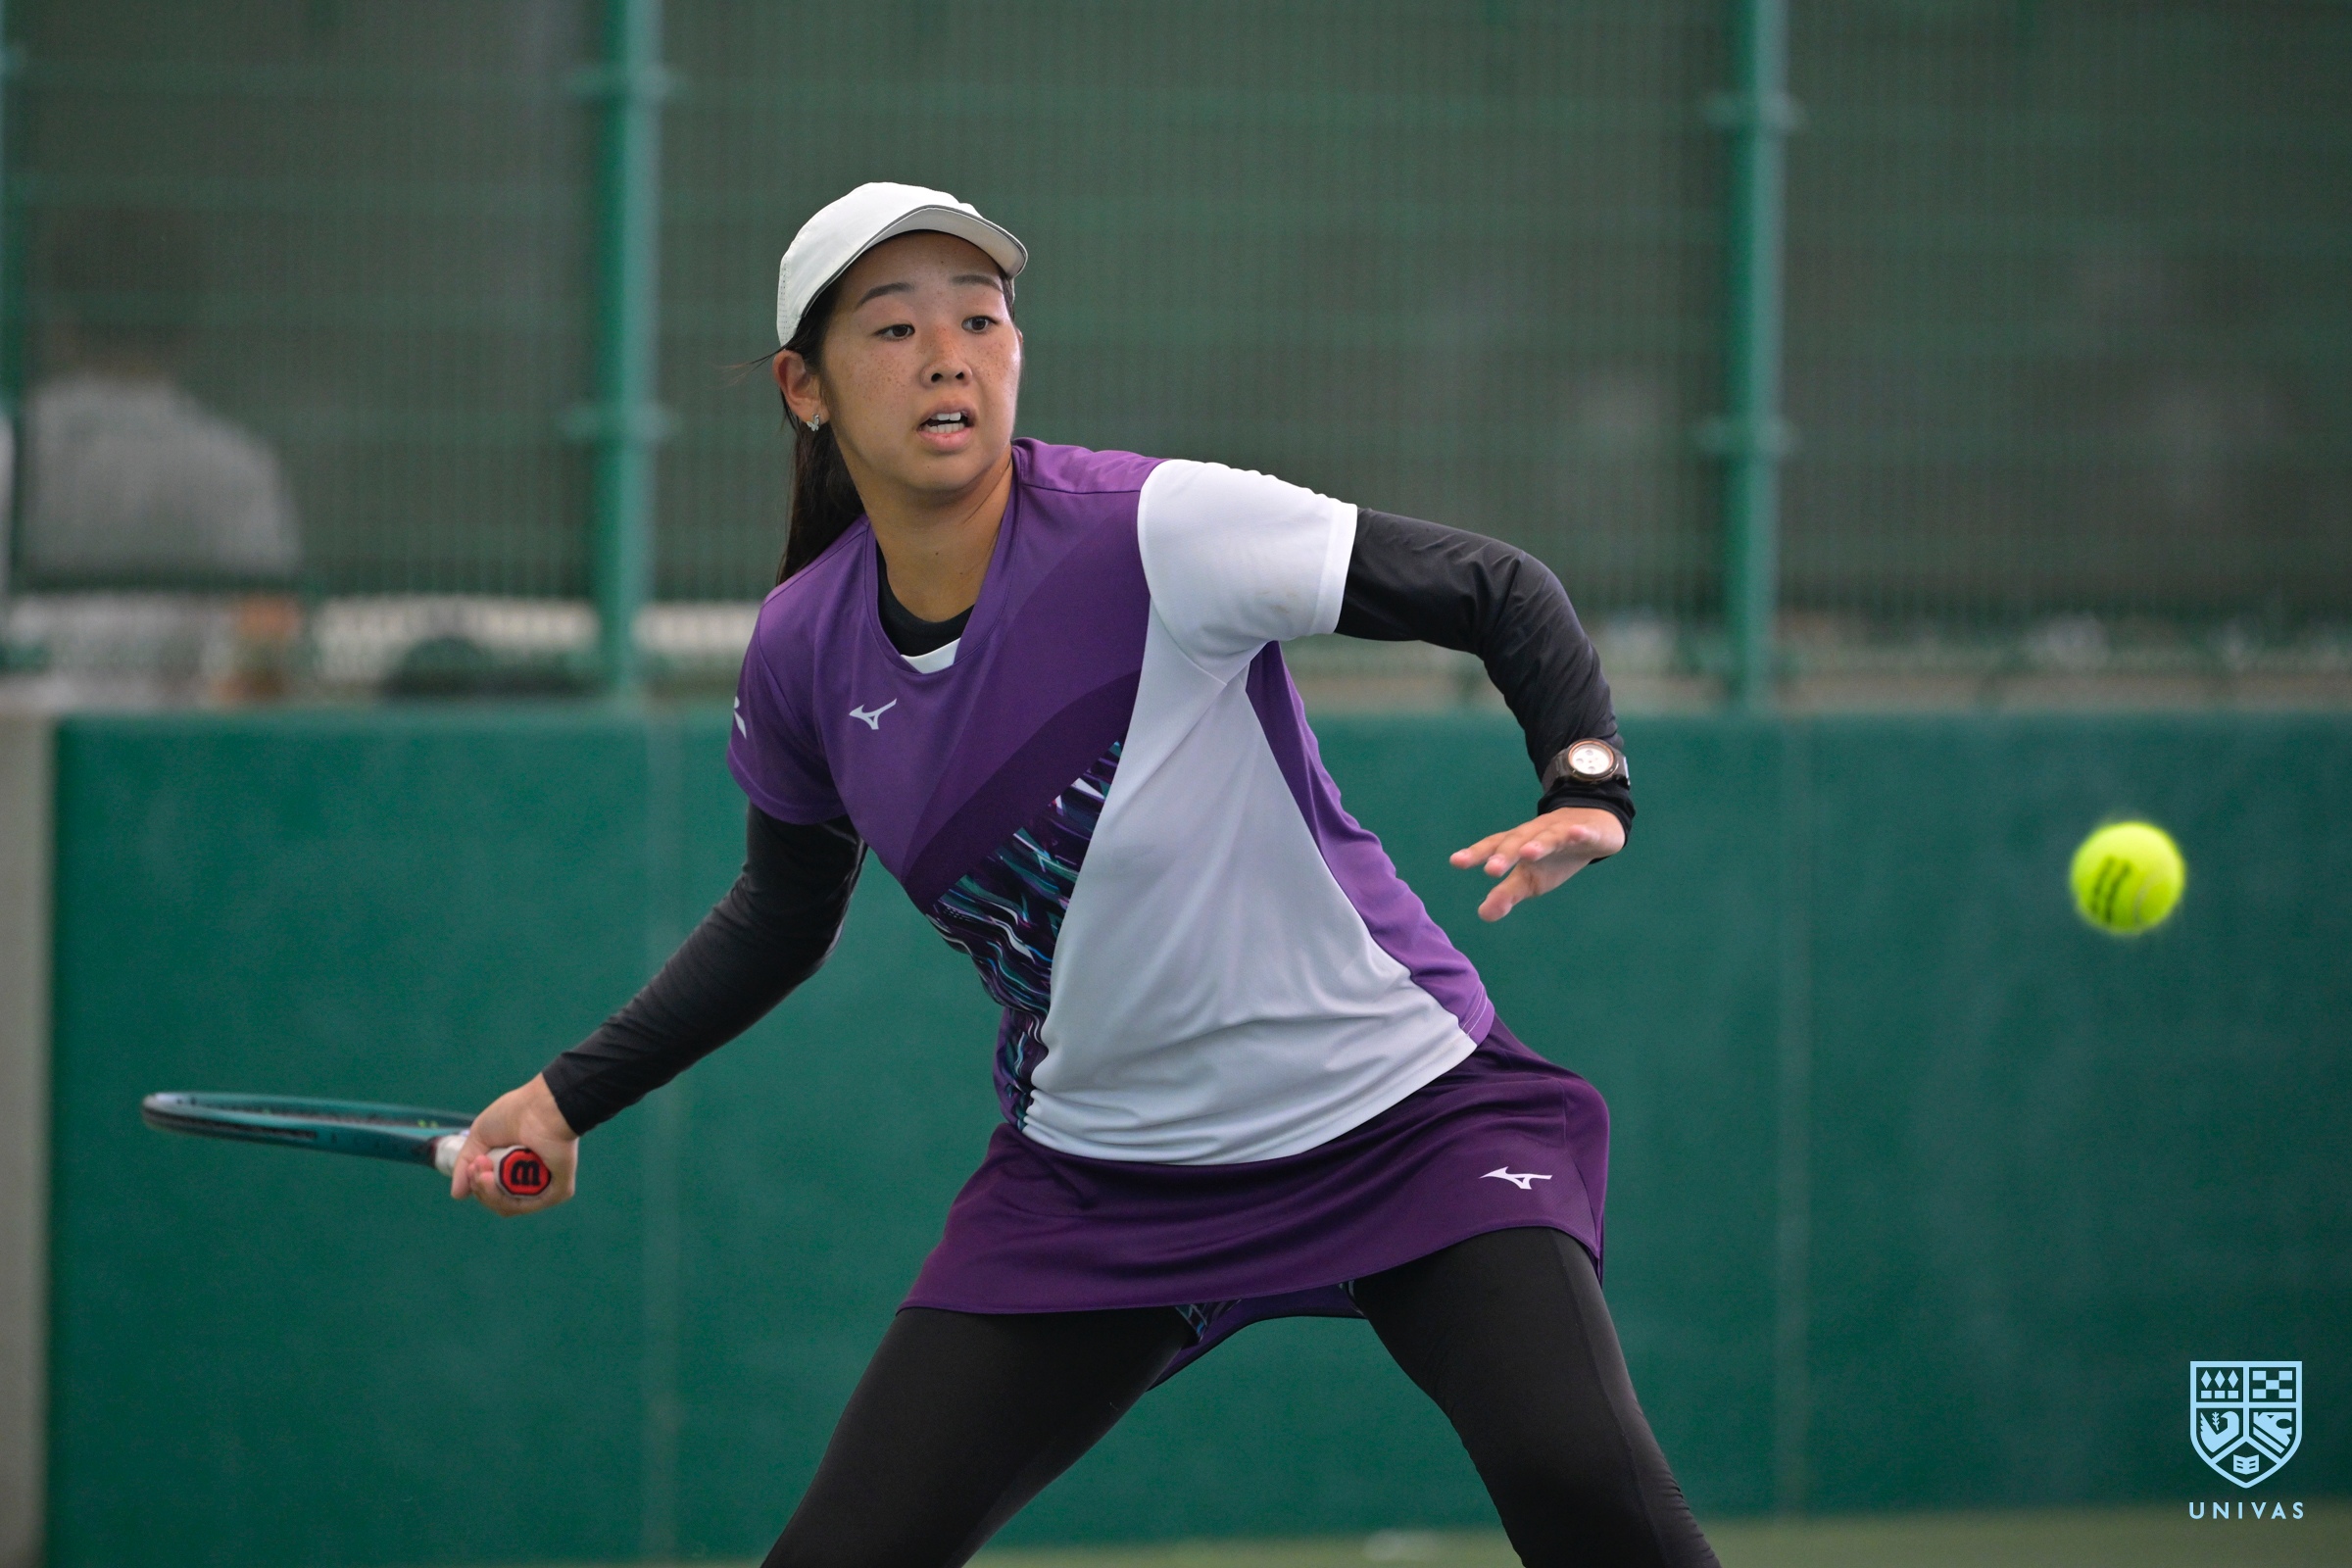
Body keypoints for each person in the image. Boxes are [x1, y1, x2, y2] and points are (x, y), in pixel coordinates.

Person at [451, 183, 1719, 1568]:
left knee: (1587, 1492)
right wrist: (566, 1098)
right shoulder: (803, 650)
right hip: (1104, 1184)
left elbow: (1498, 586)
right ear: (804, 389)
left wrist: (1586, 783)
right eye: (894, 329)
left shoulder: (1158, 529)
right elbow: (780, 917)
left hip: (1402, 1119)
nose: (948, 356)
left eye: (979, 320)